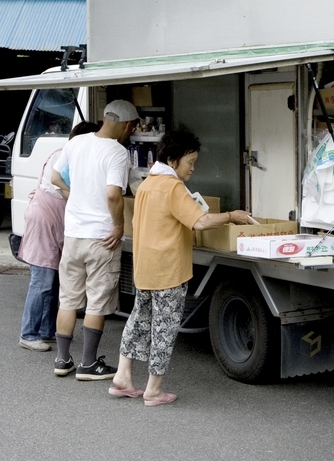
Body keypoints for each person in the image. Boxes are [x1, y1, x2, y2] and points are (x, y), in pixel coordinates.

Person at [109, 129, 254, 405]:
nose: (193, 167)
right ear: (173, 159)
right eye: (190, 161)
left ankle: (122, 376)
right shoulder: (172, 187)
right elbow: (200, 221)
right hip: (168, 270)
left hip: (144, 267)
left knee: (139, 321)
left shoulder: (147, 184)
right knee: (164, 328)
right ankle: (153, 390)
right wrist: (231, 215)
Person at [50, 100, 138, 381]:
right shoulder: (117, 152)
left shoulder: (77, 142)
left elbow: (55, 176)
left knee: (67, 300)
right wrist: (118, 225)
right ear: (127, 125)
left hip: (73, 234)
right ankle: (88, 364)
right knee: (96, 302)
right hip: (101, 237)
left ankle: (62, 360)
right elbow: (113, 194)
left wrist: (75, 195)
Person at [17, 121, 99, 351]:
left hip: (52, 221)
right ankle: (28, 334)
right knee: (42, 280)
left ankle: (46, 330)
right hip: (45, 221)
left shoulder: (66, 154)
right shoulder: (67, 157)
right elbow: (69, 190)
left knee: (53, 280)